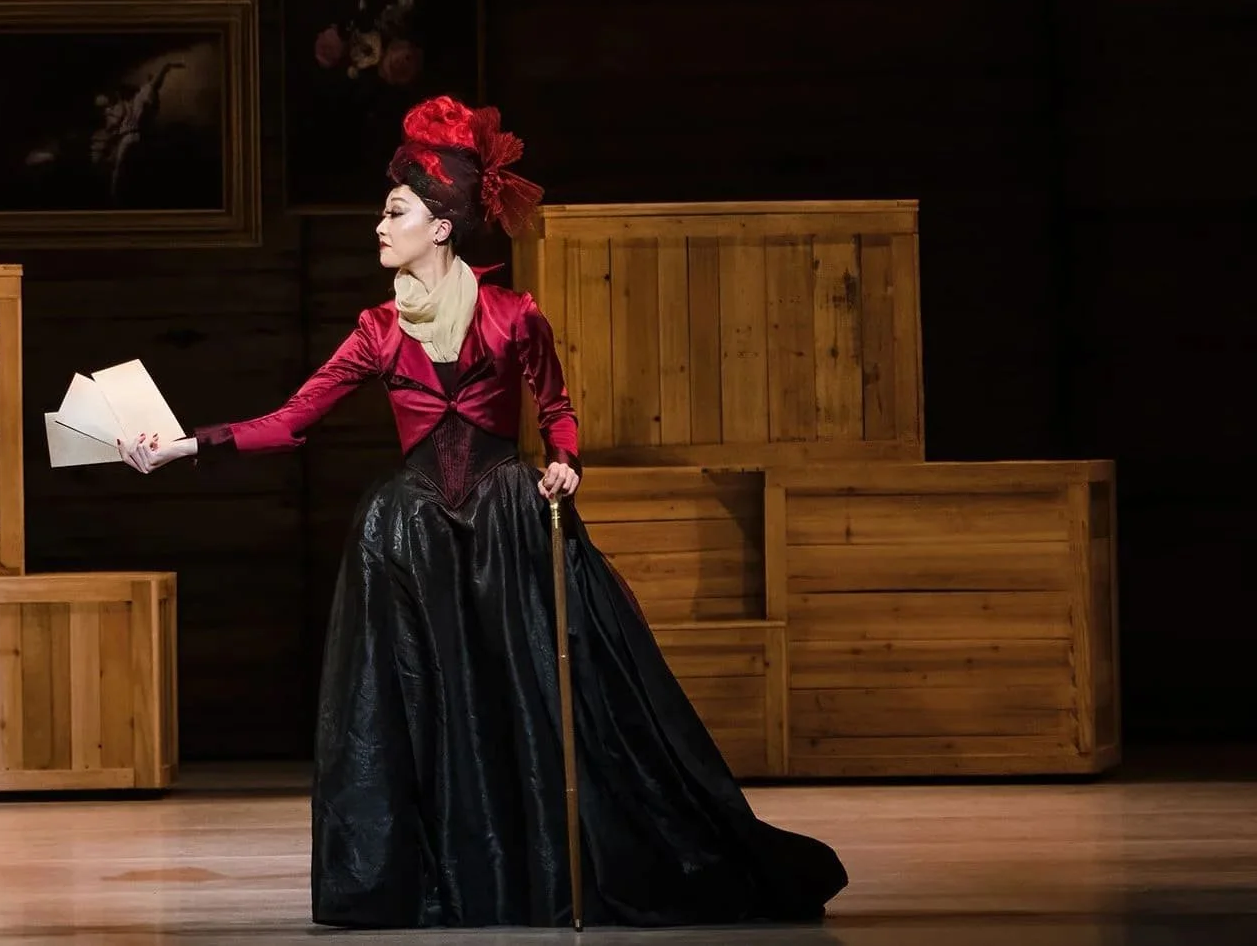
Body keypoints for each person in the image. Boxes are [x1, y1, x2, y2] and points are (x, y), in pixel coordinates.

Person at [119, 97, 847, 929]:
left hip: (509, 519)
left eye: (394, 210)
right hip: (413, 536)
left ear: (441, 225)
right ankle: (447, 878)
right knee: (427, 711)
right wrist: (184, 443)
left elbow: (558, 407)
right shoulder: (376, 330)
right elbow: (289, 422)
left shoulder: (513, 315)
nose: (378, 225)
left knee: (535, 700)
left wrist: (568, 465)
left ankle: (550, 869)